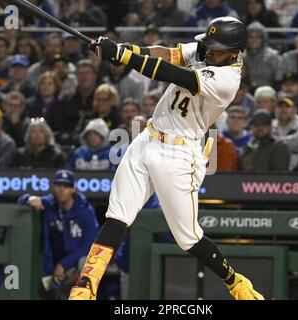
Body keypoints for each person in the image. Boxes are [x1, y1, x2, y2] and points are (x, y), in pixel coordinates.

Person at [69, 17, 264, 300]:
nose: (208, 51)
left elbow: (175, 74)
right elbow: (167, 54)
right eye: (208, 45)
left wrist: (123, 57)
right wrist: (126, 49)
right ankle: (85, 286)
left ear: (234, 52)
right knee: (117, 216)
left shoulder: (228, 80)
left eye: (217, 48)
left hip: (179, 154)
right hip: (148, 137)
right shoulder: (206, 50)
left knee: (189, 239)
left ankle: (235, 283)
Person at [18, 169, 98, 300]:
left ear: (73, 189)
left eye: (66, 186)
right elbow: (21, 200)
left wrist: (64, 264)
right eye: (58, 185)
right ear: (54, 187)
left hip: (75, 262)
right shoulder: (50, 203)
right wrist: (29, 198)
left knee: (85, 263)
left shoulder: (85, 210)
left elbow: (90, 245)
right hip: (53, 264)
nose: (61, 189)